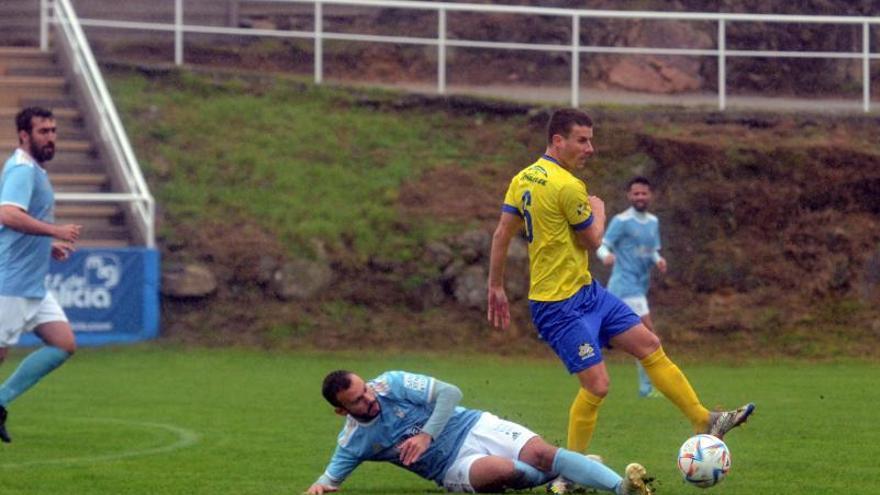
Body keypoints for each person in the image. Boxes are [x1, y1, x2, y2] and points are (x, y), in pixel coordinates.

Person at [486, 109, 753, 492]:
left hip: (588, 293)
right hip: (557, 306)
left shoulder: (522, 178)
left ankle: (702, 419)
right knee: (597, 385)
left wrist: (495, 285)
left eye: (591, 140)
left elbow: (501, 234)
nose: (590, 148)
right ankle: (569, 475)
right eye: (582, 140)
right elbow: (594, 240)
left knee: (648, 343)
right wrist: (599, 209)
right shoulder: (568, 186)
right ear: (557, 141)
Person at [305, 370, 653, 495]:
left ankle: (621, 488)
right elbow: (331, 476)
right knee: (505, 471)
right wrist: (320, 486)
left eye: (365, 389)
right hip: (450, 467)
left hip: (474, 424)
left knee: (543, 453)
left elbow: (450, 393)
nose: (369, 398)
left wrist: (425, 435)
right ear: (342, 411)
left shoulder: (391, 383)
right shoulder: (355, 440)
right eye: (358, 401)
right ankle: (567, 473)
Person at [0, 107, 81, 443]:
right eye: (43, 132)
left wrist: (48, 244)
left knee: (63, 344)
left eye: (53, 131)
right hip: (10, 284)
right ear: (24, 135)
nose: (51, 138)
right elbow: (7, 215)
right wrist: (55, 230)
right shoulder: (22, 169)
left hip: (32, 284)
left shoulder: (34, 170)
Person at [596, 176, 666, 398]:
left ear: (650, 195)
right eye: (636, 193)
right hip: (625, 284)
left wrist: (658, 259)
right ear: (629, 196)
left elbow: (651, 249)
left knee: (627, 337)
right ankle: (648, 388)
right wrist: (606, 256)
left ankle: (589, 344)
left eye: (644, 193)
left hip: (638, 285)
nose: (640, 197)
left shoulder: (653, 222)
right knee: (649, 335)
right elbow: (602, 245)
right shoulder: (622, 221)